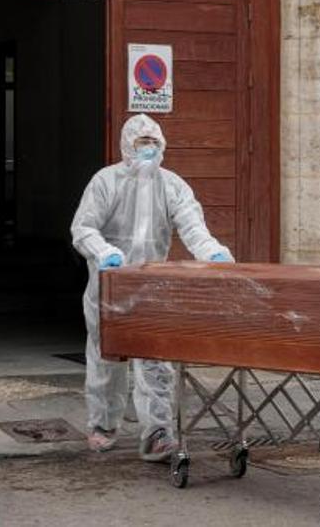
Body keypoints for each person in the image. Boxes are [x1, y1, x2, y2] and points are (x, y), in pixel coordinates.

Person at [70, 113, 233, 461]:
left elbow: (192, 226)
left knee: (155, 360)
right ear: (127, 145)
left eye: (153, 143)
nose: (147, 150)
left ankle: (157, 433)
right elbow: (83, 228)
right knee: (105, 359)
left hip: (150, 288)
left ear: (162, 146)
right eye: (141, 143)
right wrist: (104, 253)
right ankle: (103, 425)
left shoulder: (171, 185)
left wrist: (212, 252)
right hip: (109, 285)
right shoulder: (106, 182)